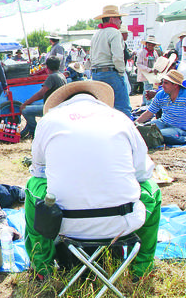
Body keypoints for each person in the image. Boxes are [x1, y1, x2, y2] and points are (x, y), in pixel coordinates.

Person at [24, 80, 161, 281]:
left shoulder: (49, 122)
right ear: (98, 101)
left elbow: (38, 171)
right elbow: (143, 173)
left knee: (33, 187)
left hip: (63, 223)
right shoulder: (120, 119)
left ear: (62, 103)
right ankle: (141, 271)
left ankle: (42, 268)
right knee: (152, 190)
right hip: (123, 222)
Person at [136, 70, 186, 145]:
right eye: (163, 82)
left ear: (175, 85)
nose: (162, 85)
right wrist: (135, 124)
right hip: (162, 122)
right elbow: (149, 113)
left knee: (160, 135)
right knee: (142, 130)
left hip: (179, 128)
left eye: (166, 83)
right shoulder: (161, 94)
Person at [90, 5, 132, 119]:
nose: (120, 21)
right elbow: (118, 57)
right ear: (112, 19)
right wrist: (121, 73)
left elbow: (91, 57)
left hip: (96, 73)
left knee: (103, 108)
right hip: (111, 72)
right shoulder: (114, 33)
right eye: (119, 18)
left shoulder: (96, 34)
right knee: (123, 108)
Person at [19, 56, 66, 139]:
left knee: (25, 110)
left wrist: (25, 103)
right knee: (32, 103)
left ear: (47, 67)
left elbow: (40, 94)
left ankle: (35, 132)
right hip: (58, 105)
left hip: (50, 107)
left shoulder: (52, 77)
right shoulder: (61, 75)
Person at [137, 36, 160, 106]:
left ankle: (145, 103)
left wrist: (156, 69)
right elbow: (138, 64)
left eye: (152, 45)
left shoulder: (155, 53)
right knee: (147, 87)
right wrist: (148, 69)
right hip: (145, 73)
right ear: (146, 44)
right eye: (149, 44)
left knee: (148, 87)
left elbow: (157, 62)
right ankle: (148, 103)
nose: (150, 46)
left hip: (152, 73)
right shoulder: (142, 52)